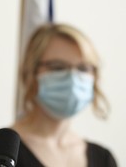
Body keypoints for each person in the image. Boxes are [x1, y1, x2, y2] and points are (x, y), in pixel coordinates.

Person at [13, 23, 117, 167]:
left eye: (83, 68)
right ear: (31, 72)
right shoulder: (1, 149)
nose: (72, 79)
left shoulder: (103, 158)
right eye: (58, 67)